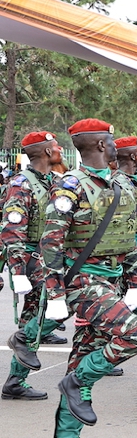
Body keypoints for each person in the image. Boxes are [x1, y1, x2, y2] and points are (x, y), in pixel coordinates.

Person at [36, 119, 137, 438]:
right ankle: (77, 382)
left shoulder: (115, 184)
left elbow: (121, 239)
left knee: (81, 355)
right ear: (101, 145)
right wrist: (55, 293)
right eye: (112, 140)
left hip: (110, 278)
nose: (116, 146)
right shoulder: (70, 186)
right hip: (83, 282)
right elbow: (50, 242)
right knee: (135, 335)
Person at [2, 131, 66, 401]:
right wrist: (18, 272)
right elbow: (11, 231)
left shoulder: (54, 181)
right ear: (47, 153)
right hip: (31, 259)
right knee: (63, 303)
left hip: (49, 257)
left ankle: (15, 381)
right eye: (55, 146)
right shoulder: (21, 184)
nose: (60, 149)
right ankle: (22, 345)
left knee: (33, 318)